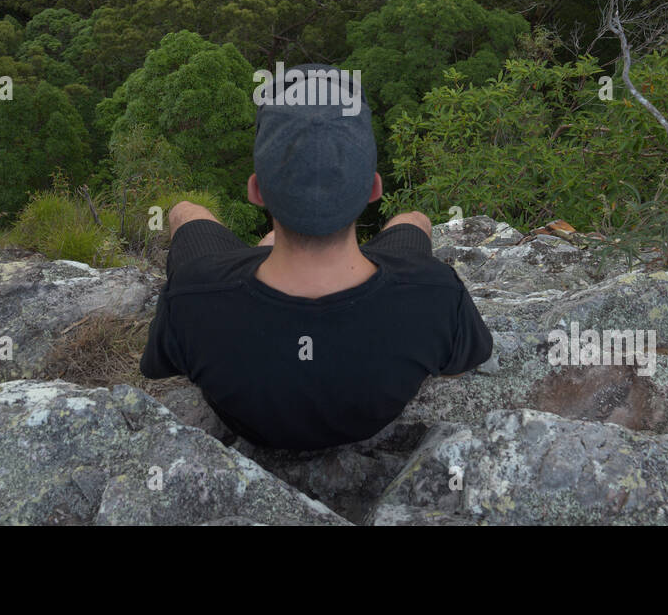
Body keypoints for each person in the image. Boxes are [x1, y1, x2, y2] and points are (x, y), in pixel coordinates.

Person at [140, 62, 493, 450]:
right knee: (414, 220)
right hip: (383, 303)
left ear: (256, 191)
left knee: (186, 211)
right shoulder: (435, 292)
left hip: (245, 383)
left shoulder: (194, 294)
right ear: (373, 188)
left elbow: (162, 365)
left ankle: (270, 253)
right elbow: (466, 359)